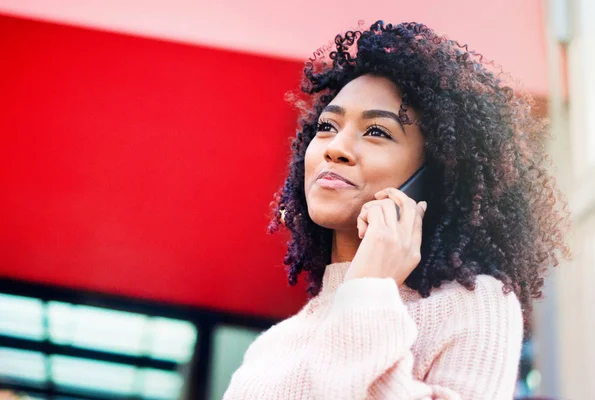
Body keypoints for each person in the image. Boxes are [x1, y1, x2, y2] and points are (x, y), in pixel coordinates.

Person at [223, 20, 570, 400]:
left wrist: (369, 288)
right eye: (327, 126)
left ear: (434, 176)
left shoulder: (476, 306)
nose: (334, 147)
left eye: (377, 132)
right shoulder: (272, 347)